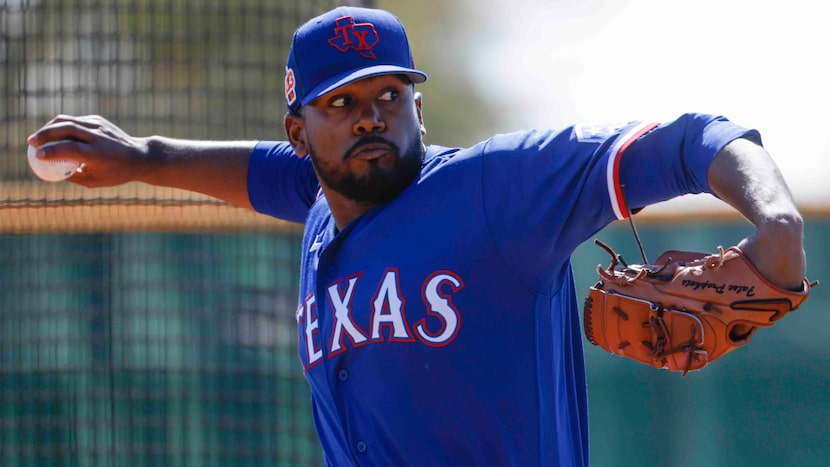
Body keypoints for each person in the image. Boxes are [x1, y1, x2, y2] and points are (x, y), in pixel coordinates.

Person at [27, 6, 806, 466]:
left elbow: (692, 138)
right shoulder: (321, 198)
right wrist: (141, 157)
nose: (371, 115)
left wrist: (776, 219)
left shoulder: (496, 191)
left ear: (417, 109)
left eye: (390, 94)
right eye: (342, 104)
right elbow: (257, 172)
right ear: (300, 132)